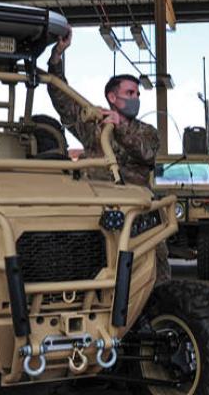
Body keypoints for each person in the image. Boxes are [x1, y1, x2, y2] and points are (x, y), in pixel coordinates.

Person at [47, 27, 171, 284]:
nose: (135, 98)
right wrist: (57, 56)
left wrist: (120, 126)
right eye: (129, 93)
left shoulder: (147, 131)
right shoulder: (93, 126)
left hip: (138, 214)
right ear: (112, 97)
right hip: (98, 214)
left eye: (137, 94)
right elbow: (62, 99)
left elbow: (147, 153)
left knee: (154, 274)